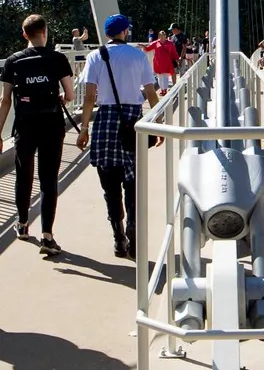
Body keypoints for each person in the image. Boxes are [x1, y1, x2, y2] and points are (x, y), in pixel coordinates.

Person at [77, 14, 159, 259]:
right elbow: (151, 92)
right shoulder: (138, 55)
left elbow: (90, 96)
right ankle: (134, 231)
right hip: (133, 120)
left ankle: (118, 237)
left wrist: (83, 129)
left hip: (105, 121)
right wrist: (158, 124)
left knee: (109, 185)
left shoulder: (95, 56)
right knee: (133, 183)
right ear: (125, 32)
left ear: (107, 34)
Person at [0, 13, 74, 255]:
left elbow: (5, 100)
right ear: (45, 31)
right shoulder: (58, 59)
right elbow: (71, 95)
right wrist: (61, 96)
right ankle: (47, 236)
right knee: (48, 179)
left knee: (24, 176)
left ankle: (22, 225)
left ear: (24, 34)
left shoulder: (13, 61)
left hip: (24, 126)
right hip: (52, 125)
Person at [144, 28, 179, 93]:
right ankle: (162, 89)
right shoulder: (155, 43)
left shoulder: (170, 43)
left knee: (165, 76)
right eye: (161, 35)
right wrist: (144, 47)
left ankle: (164, 90)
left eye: (163, 34)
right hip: (158, 63)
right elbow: (148, 48)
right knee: (159, 77)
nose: (162, 36)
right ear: (159, 36)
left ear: (165, 36)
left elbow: (174, 52)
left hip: (167, 63)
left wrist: (178, 59)